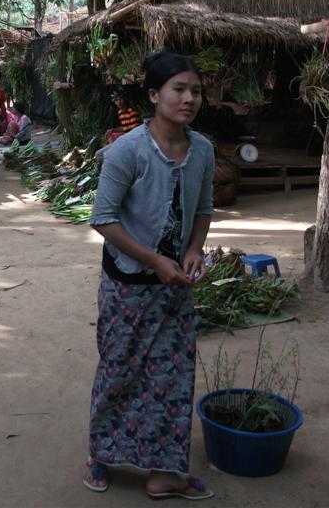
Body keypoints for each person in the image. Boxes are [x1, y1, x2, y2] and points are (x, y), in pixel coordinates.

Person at [82, 51, 215, 500]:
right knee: (120, 367)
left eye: (196, 90)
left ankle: (164, 471)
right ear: (155, 95)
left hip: (176, 285)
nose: (189, 98)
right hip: (128, 283)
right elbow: (102, 218)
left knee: (172, 376)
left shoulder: (203, 151)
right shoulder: (128, 151)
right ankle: (100, 456)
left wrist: (193, 250)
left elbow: (203, 209)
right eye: (179, 89)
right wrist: (154, 260)